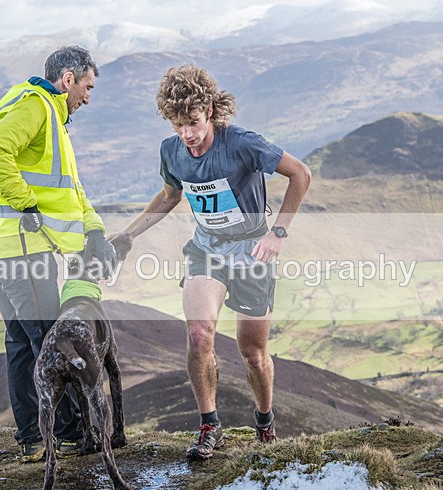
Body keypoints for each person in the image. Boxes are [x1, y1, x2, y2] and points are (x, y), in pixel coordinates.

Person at [111, 65, 311, 460]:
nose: (188, 134)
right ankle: (210, 426)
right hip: (207, 249)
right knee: (200, 335)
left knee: (252, 353)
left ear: (210, 110)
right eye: (177, 124)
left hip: (253, 250)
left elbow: (300, 174)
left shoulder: (241, 143)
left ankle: (265, 422)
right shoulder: (172, 151)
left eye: (195, 122)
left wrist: (278, 234)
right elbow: (170, 196)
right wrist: (129, 235)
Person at [0, 46, 116, 462]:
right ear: (68, 79)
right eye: (87, 87)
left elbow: (71, 190)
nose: (88, 97)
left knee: (21, 341)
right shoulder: (37, 107)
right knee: (51, 342)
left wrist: (95, 230)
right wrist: (27, 205)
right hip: (20, 248)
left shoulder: (53, 119)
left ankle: (32, 439)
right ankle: (70, 436)